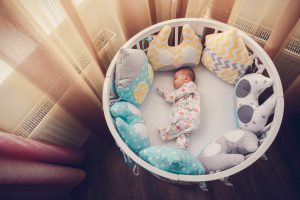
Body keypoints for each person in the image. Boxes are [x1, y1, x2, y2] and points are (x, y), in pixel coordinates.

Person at [157, 67, 201, 149]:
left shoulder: (189, 86)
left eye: (175, 78)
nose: (173, 82)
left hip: (187, 117)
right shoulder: (187, 91)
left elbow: (171, 97)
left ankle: (166, 133)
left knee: (172, 129)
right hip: (191, 121)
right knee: (182, 134)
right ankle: (181, 148)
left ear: (186, 79)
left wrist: (163, 92)